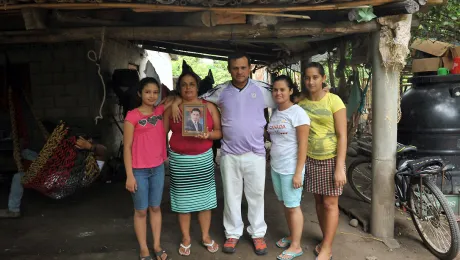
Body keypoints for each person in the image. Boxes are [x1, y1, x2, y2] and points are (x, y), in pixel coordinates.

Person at [172, 52, 275, 255]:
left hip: (255, 153)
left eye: (243, 67)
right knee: (231, 195)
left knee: (255, 195)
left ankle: (257, 233)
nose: (239, 71)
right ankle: (233, 233)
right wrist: (176, 101)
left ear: (250, 68)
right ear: (229, 69)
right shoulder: (220, 91)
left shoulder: (263, 90)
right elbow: (193, 98)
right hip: (229, 153)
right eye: (235, 68)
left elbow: (287, 96)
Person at [164, 70, 222, 256]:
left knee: (205, 202)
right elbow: (162, 134)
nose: (188, 87)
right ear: (179, 88)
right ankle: (186, 238)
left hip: (203, 159)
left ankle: (205, 236)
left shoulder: (209, 107)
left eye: (191, 84)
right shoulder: (172, 107)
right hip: (180, 161)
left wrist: (209, 134)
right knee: (183, 202)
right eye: (183, 84)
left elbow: (219, 132)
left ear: (198, 87)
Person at [297, 62, 347, 260]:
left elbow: (342, 135)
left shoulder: (334, 101)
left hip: (331, 159)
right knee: (318, 201)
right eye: (307, 78)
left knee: (330, 204)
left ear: (323, 78)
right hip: (311, 159)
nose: (311, 81)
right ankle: (325, 240)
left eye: (315, 77)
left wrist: (339, 168)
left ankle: (326, 248)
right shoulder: (301, 104)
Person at [0, 136, 107, 218]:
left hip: (60, 182)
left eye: (85, 142)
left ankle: (13, 210)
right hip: (56, 173)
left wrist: (88, 146)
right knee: (26, 153)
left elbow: (104, 150)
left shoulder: (94, 164)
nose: (80, 144)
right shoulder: (79, 155)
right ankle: (23, 152)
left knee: (19, 177)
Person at [123, 77, 171, 260]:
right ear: (140, 94)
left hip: (157, 168)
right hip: (138, 171)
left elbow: (175, 98)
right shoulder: (132, 116)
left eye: (155, 92)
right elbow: (127, 147)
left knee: (155, 208)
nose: (152, 96)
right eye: (147, 92)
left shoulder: (159, 111)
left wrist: (172, 105)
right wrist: (129, 175)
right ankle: (144, 248)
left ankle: (157, 245)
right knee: (141, 211)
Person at [267, 75, 310, 260]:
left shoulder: (298, 113)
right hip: (276, 166)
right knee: (286, 204)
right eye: (275, 89)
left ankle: (296, 246)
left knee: (293, 206)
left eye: (282, 89)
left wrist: (298, 172)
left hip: (291, 168)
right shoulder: (276, 112)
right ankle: (293, 235)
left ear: (290, 91)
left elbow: (303, 145)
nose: (278, 93)